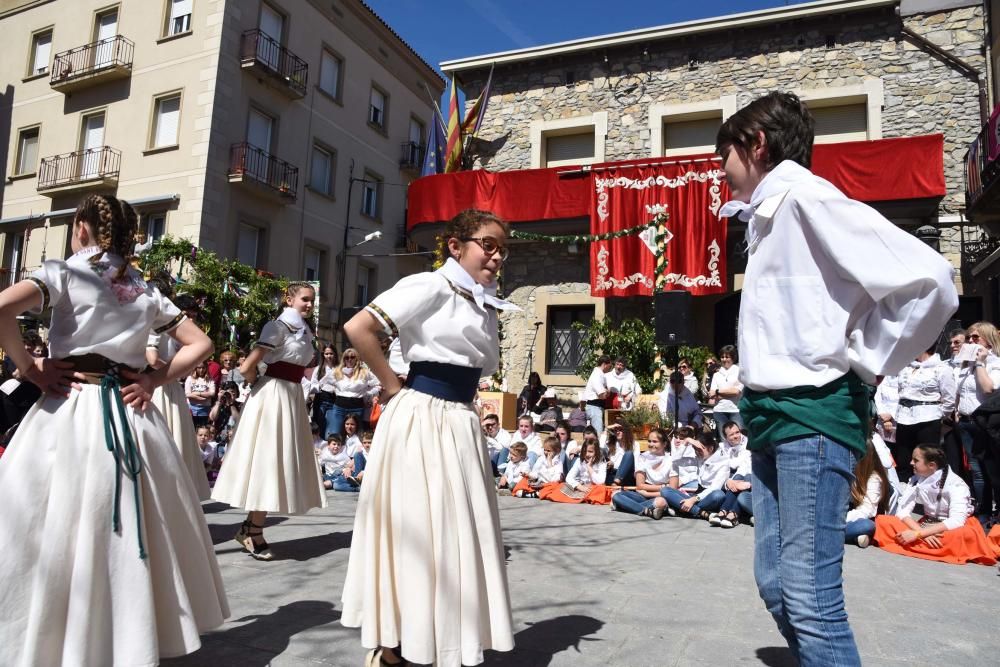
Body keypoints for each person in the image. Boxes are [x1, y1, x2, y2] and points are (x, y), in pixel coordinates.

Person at [717, 91, 957, 665]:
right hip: (773, 420)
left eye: (723, 154)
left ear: (756, 145)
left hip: (813, 419)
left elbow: (931, 279)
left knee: (809, 594)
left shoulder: (806, 199)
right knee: (776, 583)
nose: (719, 170)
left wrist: (867, 358)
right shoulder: (773, 213)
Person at [0, 193, 228, 665]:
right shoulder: (145, 289)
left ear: (81, 228)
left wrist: (29, 367)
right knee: (125, 528)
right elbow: (201, 343)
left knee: (49, 521)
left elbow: (1, 308)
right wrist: (154, 378)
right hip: (130, 415)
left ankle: (50, 632)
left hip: (69, 407)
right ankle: (122, 635)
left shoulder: (63, 273)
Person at [340, 209, 516, 666]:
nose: (497, 256)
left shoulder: (482, 298)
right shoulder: (431, 285)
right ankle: (395, 646)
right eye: (488, 244)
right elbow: (359, 328)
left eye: (503, 248)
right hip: (423, 418)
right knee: (421, 527)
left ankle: (430, 638)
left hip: (458, 419)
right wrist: (393, 385)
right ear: (456, 246)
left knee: (454, 531)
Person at [211, 283, 327, 561]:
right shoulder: (278, 327)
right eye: (305, 299)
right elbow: (246, 366)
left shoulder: (303, 328)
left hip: (289, 396)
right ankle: (253, 530)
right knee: (269, 461)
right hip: (274, 395)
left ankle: (252, 528)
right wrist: (257, 386)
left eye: (312, 300)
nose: (309, 304)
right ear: (289, 299)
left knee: (276, 463)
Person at [873, 445, 996, 565]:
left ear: (931, 465)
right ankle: (927, 547)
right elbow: (902, 512)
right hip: (926, 525)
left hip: (951, 528)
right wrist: (920, 532)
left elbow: (956, 521)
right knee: (883, 521)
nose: (911, 463)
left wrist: (917, 535)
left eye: (915, 460)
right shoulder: (916, 479)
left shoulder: (956, 484)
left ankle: (913, 544)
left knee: (961, 537)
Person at [147, 308, 211, 500]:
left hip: (170, 387)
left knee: (176, 439)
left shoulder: (178, 333)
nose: (190, 319)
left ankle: (174, 494)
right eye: (188, 314)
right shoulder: (158, 326)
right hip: (158, 387)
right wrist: (172, 370)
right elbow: (151, 358)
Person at [952, 322, 1000, 520]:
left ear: (988, 341)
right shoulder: (965, 363)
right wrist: (956, 410)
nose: (971, 341)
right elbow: (958, 389)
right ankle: (984, 511)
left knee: (991, 470)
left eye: (976, 338)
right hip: (966, 421)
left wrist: (981, 362)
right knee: (976, 469)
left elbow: (988, 388)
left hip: (986, 423)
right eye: (969, 337)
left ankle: (993, 513)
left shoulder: (994, 362)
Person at [893, 345, 955, 483]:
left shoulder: (941, 368)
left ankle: (930, 492)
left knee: (927, 458)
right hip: (904, 417)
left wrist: (937, 415)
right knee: (904, 459)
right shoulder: (906, 366)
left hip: (928, 418)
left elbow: (949, 399)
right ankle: (905, 492)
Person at [610, 427, 672, 519]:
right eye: (649, 441)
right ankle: (647, 511)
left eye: (655, 441)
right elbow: (640, 485)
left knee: (661, 502)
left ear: (664, 444)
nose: (651, 444)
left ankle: (627, 506)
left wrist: (649, 493)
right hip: (642, 494)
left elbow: (672, 489)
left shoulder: (671, 460)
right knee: (616, 495)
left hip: (659, 495)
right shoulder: (643, 457)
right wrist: (663, 487)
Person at [844, 441, 890, 548]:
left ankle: (825, 532)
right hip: (845, 512)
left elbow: (866, 510)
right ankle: (854, 537)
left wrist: (837, 520)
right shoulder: (846, 469)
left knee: (867, 526)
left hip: (860, 516)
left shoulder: (874, 478)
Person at [327, 347, 380, 435]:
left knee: (356, 434)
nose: (349, 359)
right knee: (335, 434)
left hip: (356, 406)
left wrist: (367, 393)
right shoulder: (337, 371)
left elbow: (378, 384)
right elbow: (323, 383)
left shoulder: (364, 372)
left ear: (357, 359)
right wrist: (335, 390)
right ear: (343, 359)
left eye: (352, 357)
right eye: (346, 357)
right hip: (340, 406)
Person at [708, 345, 743, 438]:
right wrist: (728, 392)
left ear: (733, 358)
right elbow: (712, 394)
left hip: (735, 410)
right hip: (719, 411)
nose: (724, 359)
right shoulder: (716, 375)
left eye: (727, 357)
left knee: (737, 438)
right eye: (722, 357)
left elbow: (736, 392)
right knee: (724, 439)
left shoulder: (739, 372)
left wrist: (718, 392)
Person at [310, 343, 339, 436]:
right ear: (323, 355)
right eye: (326, 354)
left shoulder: (339, 369)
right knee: (319, 424)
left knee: (331, 426)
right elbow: (313, 384)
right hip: (321, 398)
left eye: (331, 353)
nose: (329, 356)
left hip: (335, 399)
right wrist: (321, 383)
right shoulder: (319, 369)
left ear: (335, 354)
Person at [583, 355, 612, 433]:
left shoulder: (600, 375)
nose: (610, 368)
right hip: (594, 407)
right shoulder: (597, 375)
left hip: (597, 407)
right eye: (610, 366)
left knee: (596, 433)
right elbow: (602, 395)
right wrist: (608, 391)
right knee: (598, 434)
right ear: (604, 364)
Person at [184, 360, 216, 428]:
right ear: (195, 368)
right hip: (191, 408)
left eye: (203, 368)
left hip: (205, 408)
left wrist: (197, 393)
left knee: (202, 428)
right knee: (191, 428)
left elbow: (212, 393)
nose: (201, 370)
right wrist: (202, 397)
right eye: (199, 368)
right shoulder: (190, 379)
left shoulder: (210, 379)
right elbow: (187, 394)